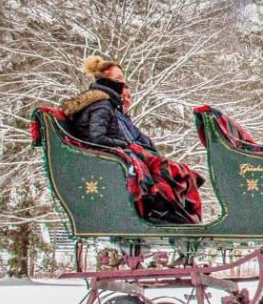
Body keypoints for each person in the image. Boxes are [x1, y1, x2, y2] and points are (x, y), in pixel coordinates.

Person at [62, 55, 204, 224]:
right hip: (112, 157)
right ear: (105, 80)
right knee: (169, 170)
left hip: (122, 153)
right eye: (118, 78)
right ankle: (161, 210)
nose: (122, 83)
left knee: (174, 170)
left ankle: (174, 211)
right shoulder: (101, 105)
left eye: (123, 78)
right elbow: (96, 137)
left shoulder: (107, 105)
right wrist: (127, 145)